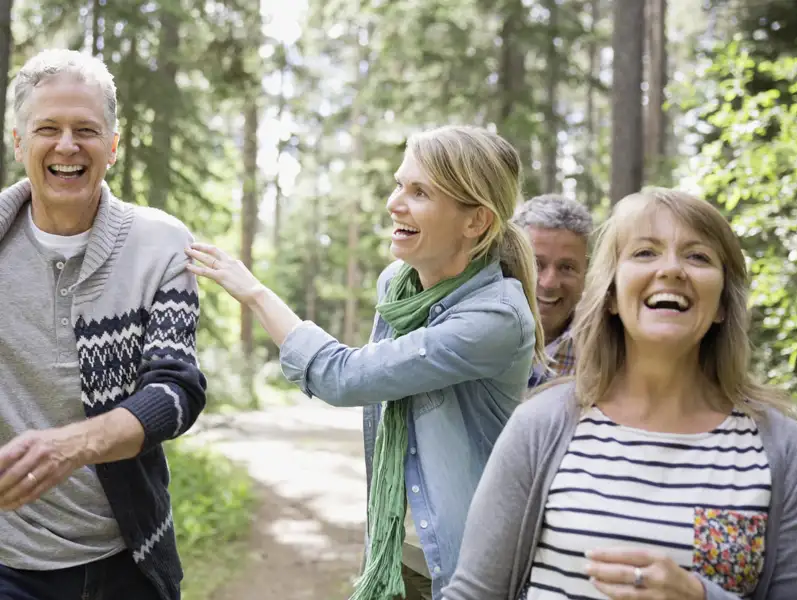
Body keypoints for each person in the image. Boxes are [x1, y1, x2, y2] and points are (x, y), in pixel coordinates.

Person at [185, 125, 545, 600]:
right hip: (396, 552)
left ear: (475, 221)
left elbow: (346, 376)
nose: (395, 203)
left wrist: (255, 294)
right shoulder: (398, 285)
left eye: (419, 192)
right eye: (400, 184)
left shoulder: (495, 318)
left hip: (469, 565)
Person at [443, 188, 797, 600]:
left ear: (722, 303)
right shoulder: (541, 425)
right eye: (645, 253)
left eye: (698, 256)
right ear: (610, 294)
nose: (671, 269)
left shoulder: (782, 449)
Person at [0, 49, 206, 600]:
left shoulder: (161, 243)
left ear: (112, 145)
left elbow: (176, 389)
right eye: (48, 128)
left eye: (86, 129)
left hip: (124, 560)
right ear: (19, 143)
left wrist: (73, 445)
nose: (67, 145)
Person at [512, 194, 591, 389]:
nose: (549, 283)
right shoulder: (471, 332)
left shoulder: (603, 352)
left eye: (567, 267)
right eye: (536, 265)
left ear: (586, 271)